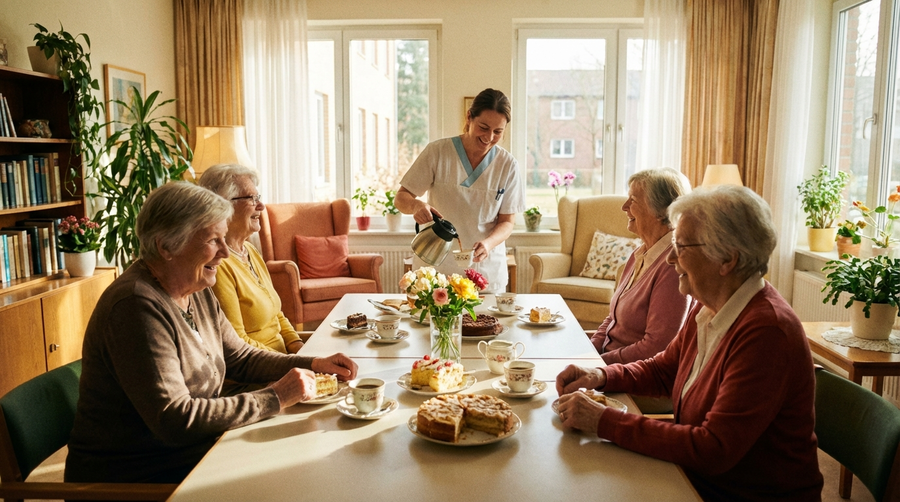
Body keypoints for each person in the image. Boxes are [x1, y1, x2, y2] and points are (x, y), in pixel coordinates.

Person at [65, 182, 358, 484]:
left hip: (190, 450)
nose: (225, 253)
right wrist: (274, 397)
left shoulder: (196, 287)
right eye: (213, 240)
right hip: (137, 473)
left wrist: (312, 364)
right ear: (166, 245)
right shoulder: (136, 306)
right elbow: (176, 418)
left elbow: (240, 357)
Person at [555, 186, 823, 501]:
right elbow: (665, 370)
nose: (669, 258)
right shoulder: (710, 305)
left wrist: (604, 421)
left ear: (727, 259)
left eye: (681, 246)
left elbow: (713, 449)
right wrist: (601, 376)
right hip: (696, 478)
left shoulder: (766, 332)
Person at [395, 88, 525, 293]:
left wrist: (489, 244)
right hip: (436, 268)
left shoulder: (507, 165)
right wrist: (415, 205)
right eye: (483, 127)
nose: (489, 137)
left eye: (498, 132)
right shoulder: (437, 152)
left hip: (484, 269)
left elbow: (507, 221)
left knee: (484, 324)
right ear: (469, 117)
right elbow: (401, 198)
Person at [590, 167, 693, 364]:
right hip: (608, 367)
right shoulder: (640, 254)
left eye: (633, 200)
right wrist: (590, 352)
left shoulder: (673, 266)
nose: (624, 206)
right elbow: (612, 320)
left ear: (661, 211)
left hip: (632, 376)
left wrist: (599, 365)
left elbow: (656, 347)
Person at [199, 164, 303, 354]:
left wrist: (298, 347)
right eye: (251, 198)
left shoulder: (249, 250)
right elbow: (238, 344)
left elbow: (276, 315)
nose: (261, 205)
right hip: (258, 374)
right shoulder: (217, 265)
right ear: (223, 205)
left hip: (282, 363)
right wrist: (291, 362)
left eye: (259, 197)